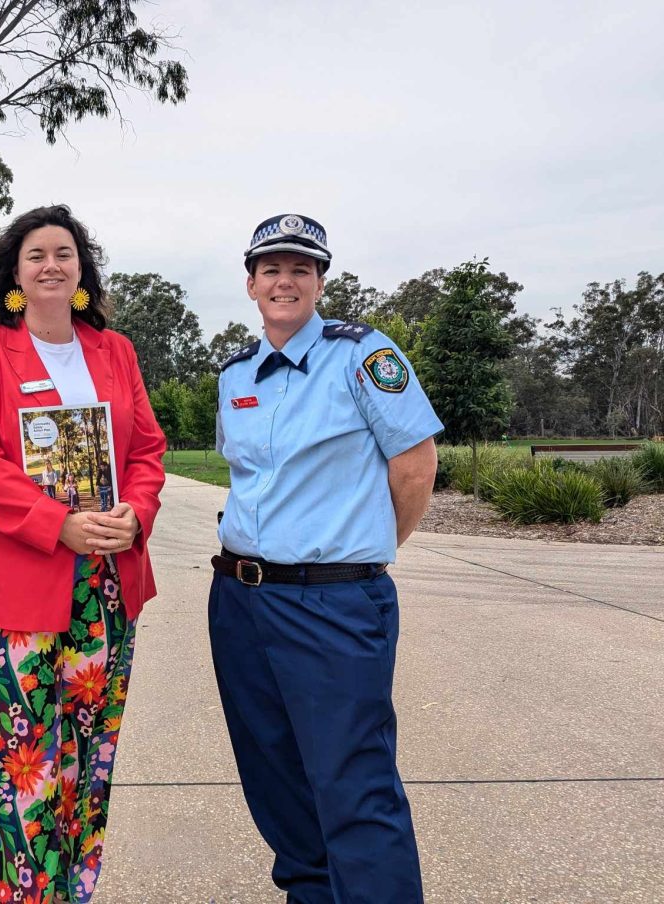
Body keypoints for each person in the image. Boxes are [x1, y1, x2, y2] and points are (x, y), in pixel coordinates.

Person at [0, 205, 166, 904]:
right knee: (16, 762)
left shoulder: (114, 351)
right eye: (36, 254)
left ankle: (70, 890)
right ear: (14, 273)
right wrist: (55, 523)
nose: (51, 266)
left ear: (82, 270)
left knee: (86, 759)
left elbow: (148, 451)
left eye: (64, 253)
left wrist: (137, 512)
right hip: (12, 589)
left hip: (104, 589)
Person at [208, 214, 441, 904]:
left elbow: (415, 470)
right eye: (271, 269)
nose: (285, 280)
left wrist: (357, 556)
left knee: (353, 783)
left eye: (300, 269)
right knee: (274, 775)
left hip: (332, 603)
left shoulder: (363, 356)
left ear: (319, 283)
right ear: (251, 284)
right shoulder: (235, 375)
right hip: (242, 601)